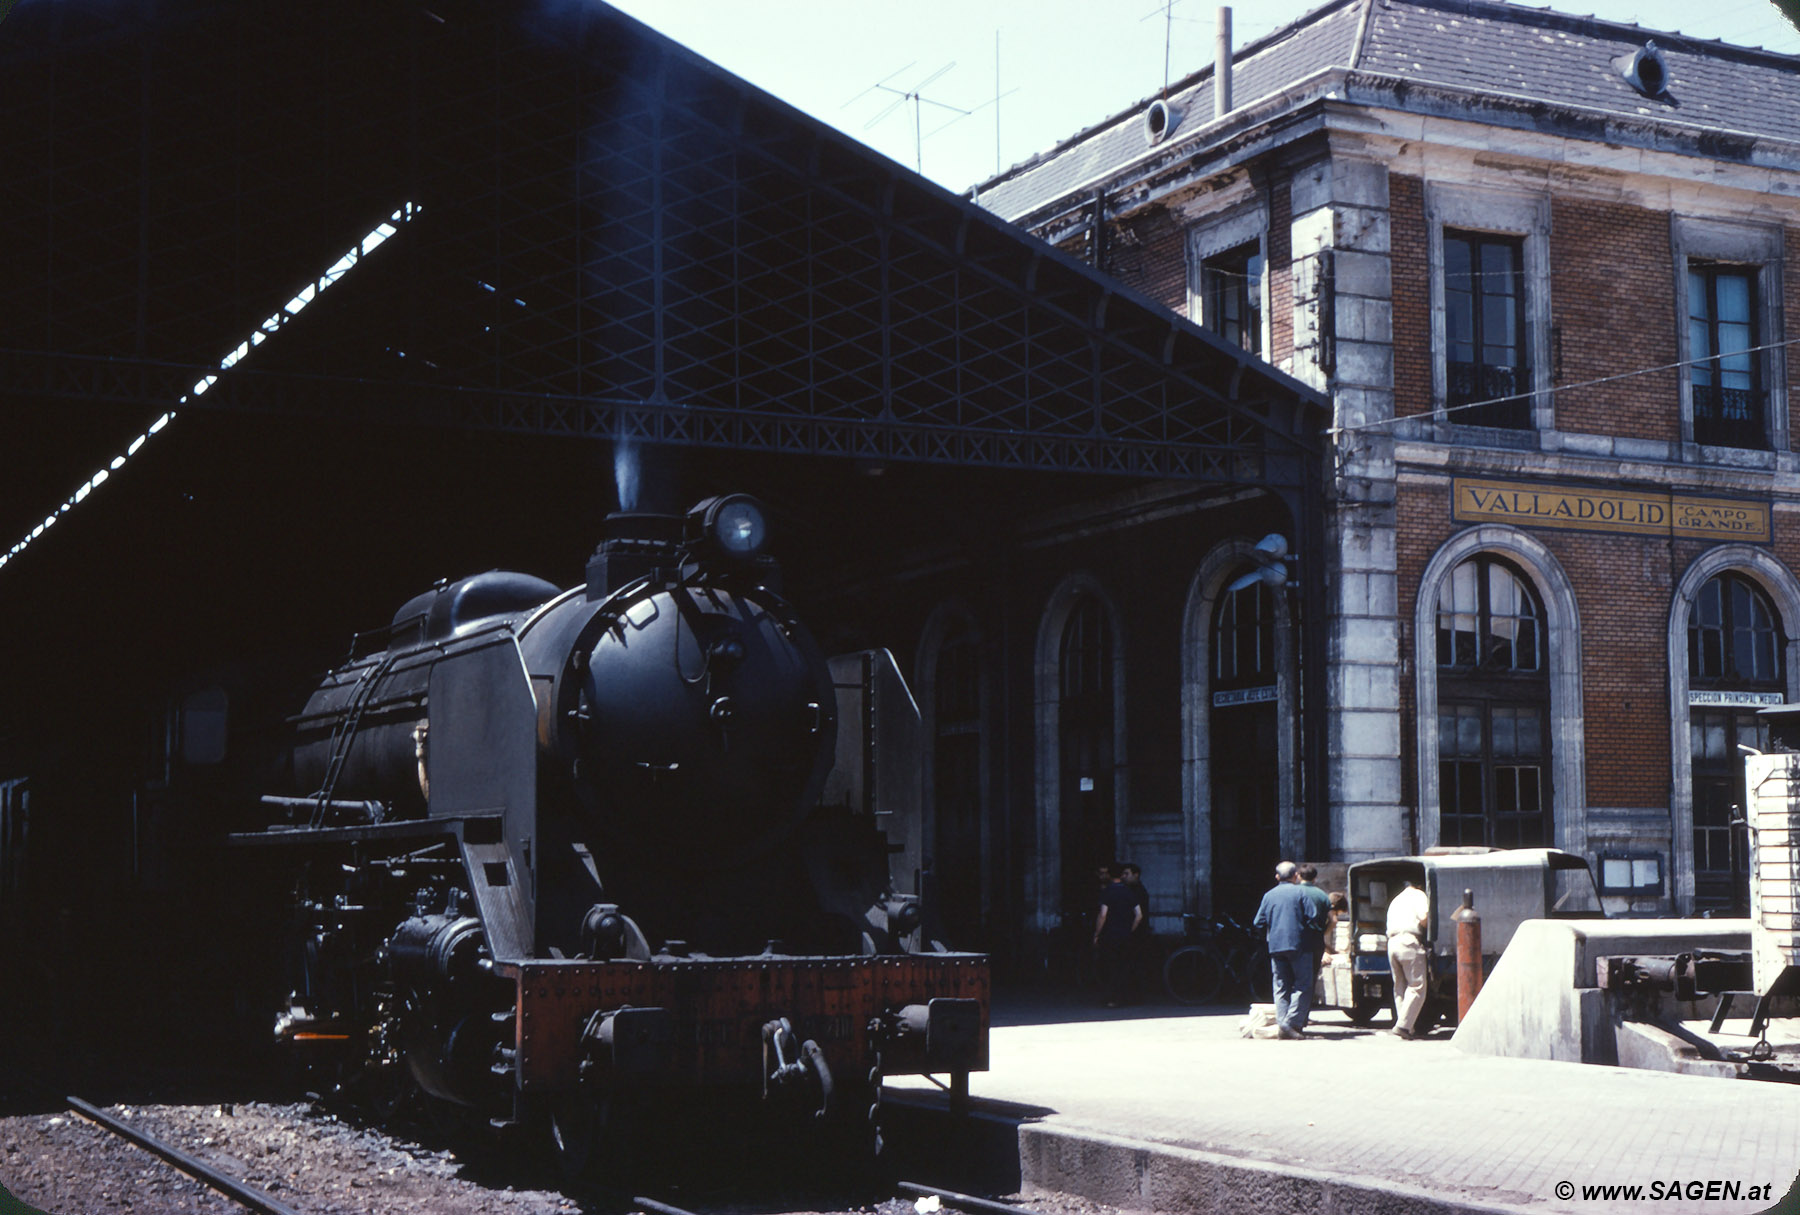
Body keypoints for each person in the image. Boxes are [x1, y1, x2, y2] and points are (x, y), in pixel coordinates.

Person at [1251, 860, 1323, 1038]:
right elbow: (1313, 916)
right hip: (1299, 945)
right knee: (1303, 985)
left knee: (1281, 986)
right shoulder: (1300, 892)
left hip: (1275, 946)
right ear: (1295, 876)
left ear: (1277, 877)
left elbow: (1257, 922)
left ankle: (1283, 1024)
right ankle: (1292, 1023)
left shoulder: (1268, 895)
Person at [1386, 878, 1431, 1039]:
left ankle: (1405, 1026)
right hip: (1409, 940)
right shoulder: (1418, 895)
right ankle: (1403, 1026)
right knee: (1417, 985)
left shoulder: (1396, 900)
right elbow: (1424, 917)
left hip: (1392, 942)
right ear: (1419, 884)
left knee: (1400, 986)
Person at [1092, 863, 1142, 1007]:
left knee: (1110, 967)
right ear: (1121, 875)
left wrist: (1097, 933)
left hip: (1110, 935)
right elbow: (1139, 915)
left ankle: (1112, 999)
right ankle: (1124, 997)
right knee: (1124, 966)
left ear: (1109, 875)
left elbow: (1103, 914)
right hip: (1125, 935)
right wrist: (1130, 929)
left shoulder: (1108, 891)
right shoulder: (1129, 891)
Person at [1120, 862, 1152, 1000]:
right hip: (1138, 932)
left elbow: (1139, 916)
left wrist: (1130, 931)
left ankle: (1135, 995)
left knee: (1133, 964)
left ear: (1136, 875)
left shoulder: (1137, 892)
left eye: (1127, 874)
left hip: (1137, 933)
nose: (1123, 877)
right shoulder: (1135, 890)